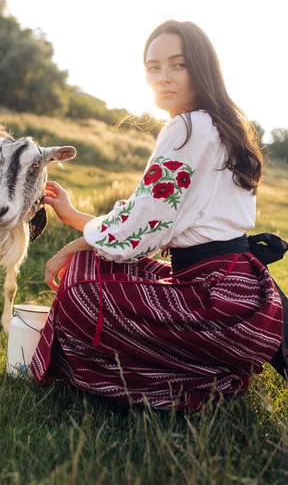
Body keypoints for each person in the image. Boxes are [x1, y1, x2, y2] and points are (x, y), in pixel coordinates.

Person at [30, 20, 284, 411]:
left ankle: (203, 381)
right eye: (153, 68)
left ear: (202, 68)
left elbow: (143, 225)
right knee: (88, 268)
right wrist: (78, 220)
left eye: (177, 65)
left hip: (219, 304)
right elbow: (152, 218)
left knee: (80, 290)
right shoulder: (220, 124)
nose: (163, 78)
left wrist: (73, 239)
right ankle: (211, 370)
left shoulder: (187, 127)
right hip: (245, 298)